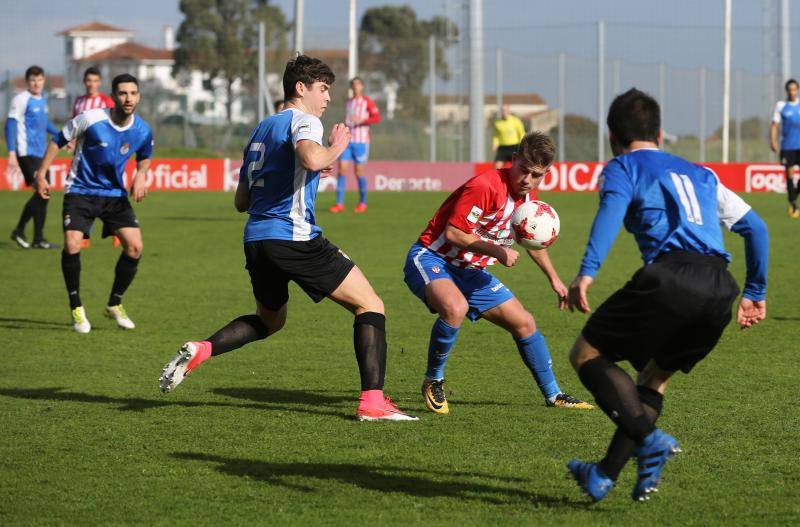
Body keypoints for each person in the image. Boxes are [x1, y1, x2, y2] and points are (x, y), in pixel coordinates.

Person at [159, 55, 416, 422]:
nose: (327, 98)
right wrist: (337, 146)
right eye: (323, 89)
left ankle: (203, 349)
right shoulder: (305, 120)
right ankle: (373, 402)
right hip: (293, 237)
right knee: (371, 305)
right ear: (300, 88)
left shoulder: (262, 128)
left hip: (257, 240)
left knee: (270, 321)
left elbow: (242, 201)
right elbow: (311, 158)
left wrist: (309, 173)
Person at [565, 88, 769, 502]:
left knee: (584, 354)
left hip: (670, 277)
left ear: (611, 135)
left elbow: (610, 214)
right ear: (660, 132)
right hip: (719, 288)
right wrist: (755, 292)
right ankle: (603, 475)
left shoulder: (623, 166)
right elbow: (757, 228)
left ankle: (649, 437)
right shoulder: (702, 174)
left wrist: (586, 273)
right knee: (654, 378)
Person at [403, 131, 593, 414]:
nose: (528, 179)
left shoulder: (528, 197)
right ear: (514, 160)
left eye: (537, 175)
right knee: (455, 308)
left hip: (470, 270)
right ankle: (433, 380)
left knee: (525, 323)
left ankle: (554, 395)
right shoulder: (486, 185)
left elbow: (530, 240)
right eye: (524, 170)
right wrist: (498, 251)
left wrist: (554, 278)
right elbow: (454, 233)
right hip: (432, 257)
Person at [35, 73, 153, 334]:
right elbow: (58, 140)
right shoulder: (91, 118)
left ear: (139, 97)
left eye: (133, 93)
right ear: (113, 97)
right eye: (122, 93)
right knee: (72, 243)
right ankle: (76, 307)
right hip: (80, 191)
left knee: (135, 247)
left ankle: (114, 303)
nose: (128, 98)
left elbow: (144, 156)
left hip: (114, 196)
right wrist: (41, 174)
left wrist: (141, 174)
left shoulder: (143, 129)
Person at [7, 65, 60, 249]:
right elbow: (11, 124)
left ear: (43, 81)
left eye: (39, 80)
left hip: (40, 154)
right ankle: (20, 230)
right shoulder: (21, 99)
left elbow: (45, 124)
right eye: (32, 80)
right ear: (27, 82)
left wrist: (63, 138)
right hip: (26, 153)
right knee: (42, 191)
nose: (36, 83)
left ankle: (38, 238)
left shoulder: (42, 100)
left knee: (44, 194)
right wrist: (12, 153)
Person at [72, 66, 117, 249]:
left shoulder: (106, 101)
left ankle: (116, 231)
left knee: (108, 193)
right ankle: (84, 235)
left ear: (100, 83)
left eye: (95, 81)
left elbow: (114, 126)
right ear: (85, 82)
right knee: (84, 193)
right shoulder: (79, 102)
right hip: (84, 157)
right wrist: (72, 141)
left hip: (104, 156)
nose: (92, 84)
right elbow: (74, 125)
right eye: (89, 80)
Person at [329, 77, 380, 214]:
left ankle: (362, 202)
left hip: (361, 142)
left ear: (362, 86)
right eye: (353, 84)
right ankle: (339, 204)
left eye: (358, 84)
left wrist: (363, 120)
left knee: (359, 172)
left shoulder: (367, 101)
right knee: (341, 170)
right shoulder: (349, 102)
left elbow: (376, 117)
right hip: (348, 141)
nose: (355, 87)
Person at [770, 78, 800, 218]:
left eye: (794, 89)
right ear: (787, 91)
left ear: (798, 90)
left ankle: (794, 195)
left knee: (795, 181)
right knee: (790, 174)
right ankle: (793, 202)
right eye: (790, 90)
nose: (792, 92)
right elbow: (774, 125)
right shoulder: (781, 106)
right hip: (788, 146)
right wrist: (773, 141)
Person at [492, 103, 526, 170]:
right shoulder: (497, 123)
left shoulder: (516, 121)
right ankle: (497, 179)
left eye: (505, 110)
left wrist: (522, 144)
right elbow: (496, 135)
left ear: (509, 111)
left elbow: (522, 133)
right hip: (502, 148)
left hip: (514, 146)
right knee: (497, 167)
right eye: (502, 110)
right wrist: (495, 144)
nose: (504, 112)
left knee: (517, 166)